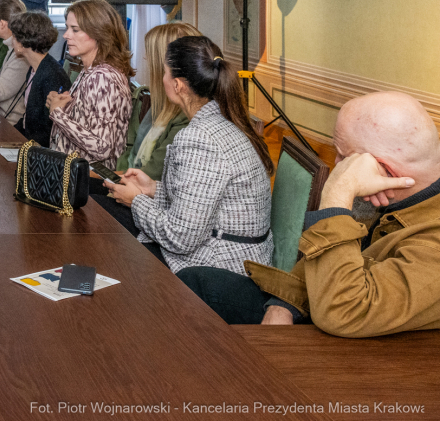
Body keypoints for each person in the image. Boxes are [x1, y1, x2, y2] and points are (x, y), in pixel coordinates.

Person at [180, 91, 440, 338]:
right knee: (195, 282)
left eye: (344, 157)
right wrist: (283, 305)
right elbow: (318, 257)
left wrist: (336, 198)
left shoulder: (432, 244)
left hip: (354, 344)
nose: (337, 167)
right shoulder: (381, 196)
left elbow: (344, 312)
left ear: (387, 172)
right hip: (324, 304)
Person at [101, 36, 274, 275]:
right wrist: (152, 188)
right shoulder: (221, 121)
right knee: (107, 215)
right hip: (239, 254)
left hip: (220, 266)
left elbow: (181, 237)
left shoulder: (199, 138)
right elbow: (200, 204)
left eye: (164, 72)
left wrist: (137, 200)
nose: (161, 79)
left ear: (178, 85)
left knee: (108, 230)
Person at [46, 0, 133, 168]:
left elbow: (102, 148)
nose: (66, 35)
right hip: (73, 175)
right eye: (68, 27)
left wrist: (57, 113)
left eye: (75, 30)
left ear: (98, 33)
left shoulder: (102, 78)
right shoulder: (90, 71)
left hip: (88, 182)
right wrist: (62, 105)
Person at [119, 22, 202, 180]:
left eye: (149, 54)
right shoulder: (159, 104)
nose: (145, 58)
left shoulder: (187, 117)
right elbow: (129, 152)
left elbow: (153, 175)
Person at [8, 11, 69, 147]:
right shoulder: (35, 68)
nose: (12, 41)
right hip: (29, 142)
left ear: (23, 43)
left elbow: (48, 129)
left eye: (13, 36)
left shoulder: (52, 75)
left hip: (40, 150)